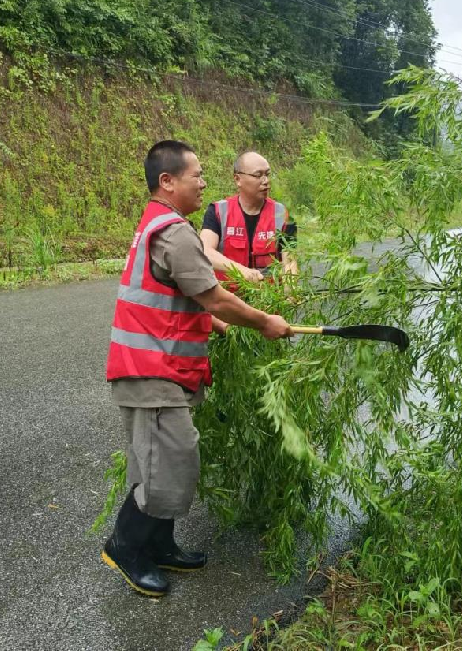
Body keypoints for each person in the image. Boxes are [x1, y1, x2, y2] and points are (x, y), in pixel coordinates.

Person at [103, 140, 294, 598]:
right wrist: (264, 321)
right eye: (197, 176)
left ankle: (160, 543)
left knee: (168, 459)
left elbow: (174, 296)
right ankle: (124, 546)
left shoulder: (161, 225)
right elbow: (213, 294)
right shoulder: (173, 232)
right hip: (148, 368)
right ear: (167, 182)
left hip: (160, 364)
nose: (203, 183)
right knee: (167, 460)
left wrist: (210, 323)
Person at [200, 150, 298, 288]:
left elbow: (289, 262)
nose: (265, 181)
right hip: (228, 302)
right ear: (237, 179)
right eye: (258, 175)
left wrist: (290, 295)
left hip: (268, 303)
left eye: (267, 174)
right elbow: (204, 251)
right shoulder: (218, 211)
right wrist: (242, 271)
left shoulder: (282, 214)